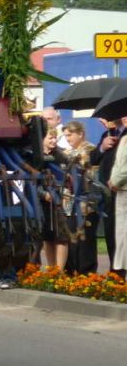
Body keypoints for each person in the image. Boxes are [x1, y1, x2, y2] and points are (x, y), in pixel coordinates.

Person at [89, 117, 126, 272]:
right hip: (107, 192)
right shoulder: (108, 134)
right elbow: (93, 159)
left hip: (121, 189)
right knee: (111, 233)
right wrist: (103, 147)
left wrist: (115, 181)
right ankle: (115, 271)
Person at [61, 120, 97, 274]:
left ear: (80, 134)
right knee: (70, 237)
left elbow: (93, 175)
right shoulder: (66, 153)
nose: (67, 138)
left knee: (86, 239)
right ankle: (70, 269)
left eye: (70, 135)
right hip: (69, 202)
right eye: (65, 136)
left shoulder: (90, 150)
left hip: (86, 201)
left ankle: (87, 272)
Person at [40, 127, 71, 270]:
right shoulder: (35, 156)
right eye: (50, 138)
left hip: (59, 199)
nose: (53, 141)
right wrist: (42, 194)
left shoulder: (60, 155)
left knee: (61, 236)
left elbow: (69, 175)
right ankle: (51, 268)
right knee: (47, 237)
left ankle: (59, 271)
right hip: (42, 201)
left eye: (55, 138)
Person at [108, 130, 127, 280]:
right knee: (121, 234)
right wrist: (112, 180)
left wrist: (116, 180)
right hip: (121, 191)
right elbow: (117, 163)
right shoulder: (124, 139)